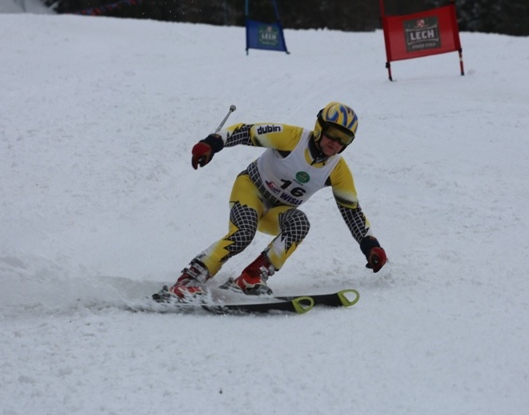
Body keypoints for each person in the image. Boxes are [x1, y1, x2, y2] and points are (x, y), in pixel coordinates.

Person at [153, 101, 387, 301]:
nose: (335, 143)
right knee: (243, 233)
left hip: (277, 211)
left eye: (344, 139)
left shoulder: (337, 169)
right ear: (319, 128)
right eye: (332, 134)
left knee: (299, 223)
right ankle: (189, 278)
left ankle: (251, 278)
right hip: (250, 191)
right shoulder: (293, 138)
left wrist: (370, 245)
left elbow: (352, 211)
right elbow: (247, 131)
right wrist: (212, 143)